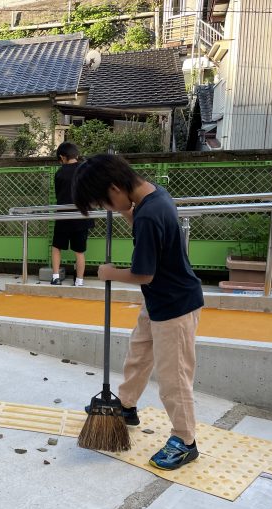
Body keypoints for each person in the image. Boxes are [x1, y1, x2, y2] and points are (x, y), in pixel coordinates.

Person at [72, 154, 204, 471]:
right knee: (139, 354)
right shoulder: (151, 198)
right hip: (158, 300)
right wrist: (126, 213)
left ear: (116, 188)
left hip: (174, 306)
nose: (106, 208)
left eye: (104, 201)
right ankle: (127, 406)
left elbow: (144, 274)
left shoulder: (149, 215)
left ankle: (186, 441)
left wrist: (109, 273)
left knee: (174, 378)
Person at [50, 142, 92, 286]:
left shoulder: (60, 173)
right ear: (77, 155)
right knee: (79, 251)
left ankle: (55, 277)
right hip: (82, 214)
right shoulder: (86, 170)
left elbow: (58, 194)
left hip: (63, 215)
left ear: (62, 157)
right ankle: (79, 280)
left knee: (57, 247)